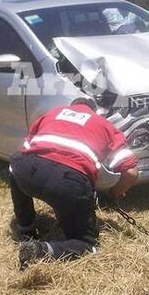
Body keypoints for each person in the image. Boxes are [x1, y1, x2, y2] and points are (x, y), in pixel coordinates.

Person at [9, 98, 139, 268]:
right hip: (69, 180)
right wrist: (114, 193)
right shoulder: (104, 124)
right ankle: (41, 251)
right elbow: (131, 172)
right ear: (94, 111)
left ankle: (26, 229)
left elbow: (25, 149)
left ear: (71, 108)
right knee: (87, 245)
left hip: (28, 170)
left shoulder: (51, 114)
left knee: (15, 167)